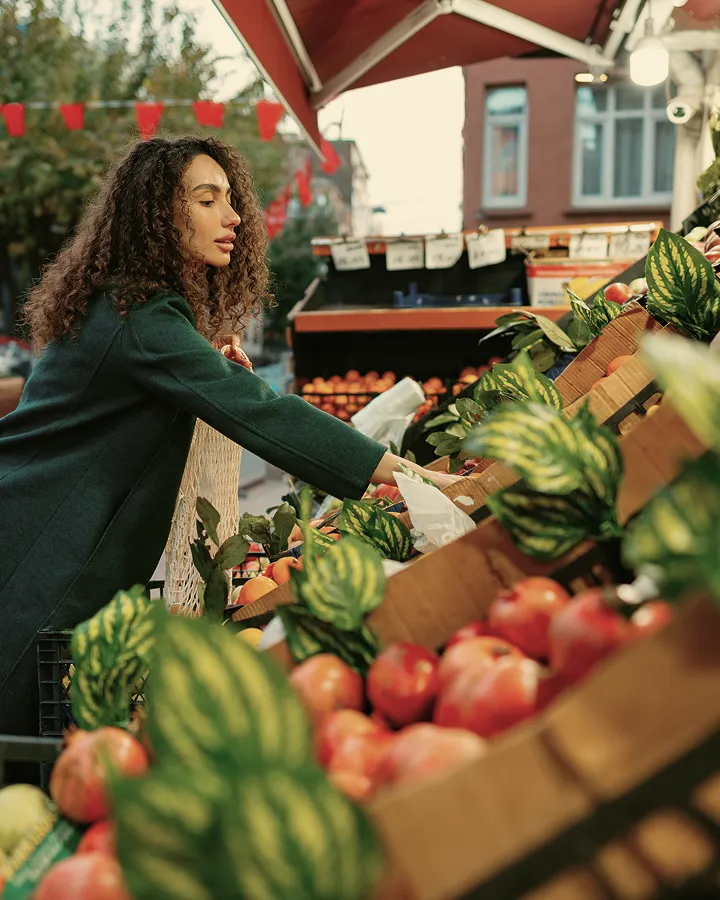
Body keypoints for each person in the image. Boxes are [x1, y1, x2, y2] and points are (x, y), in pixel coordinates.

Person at [0, 136, 459, 744]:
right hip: (36, 549)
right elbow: (265, 415)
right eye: (206, 199)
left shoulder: (127, 305)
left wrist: (207, 366)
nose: (234, 215)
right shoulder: (143, 318)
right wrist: (415, 476)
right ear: (159, 216)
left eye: (229, 197)